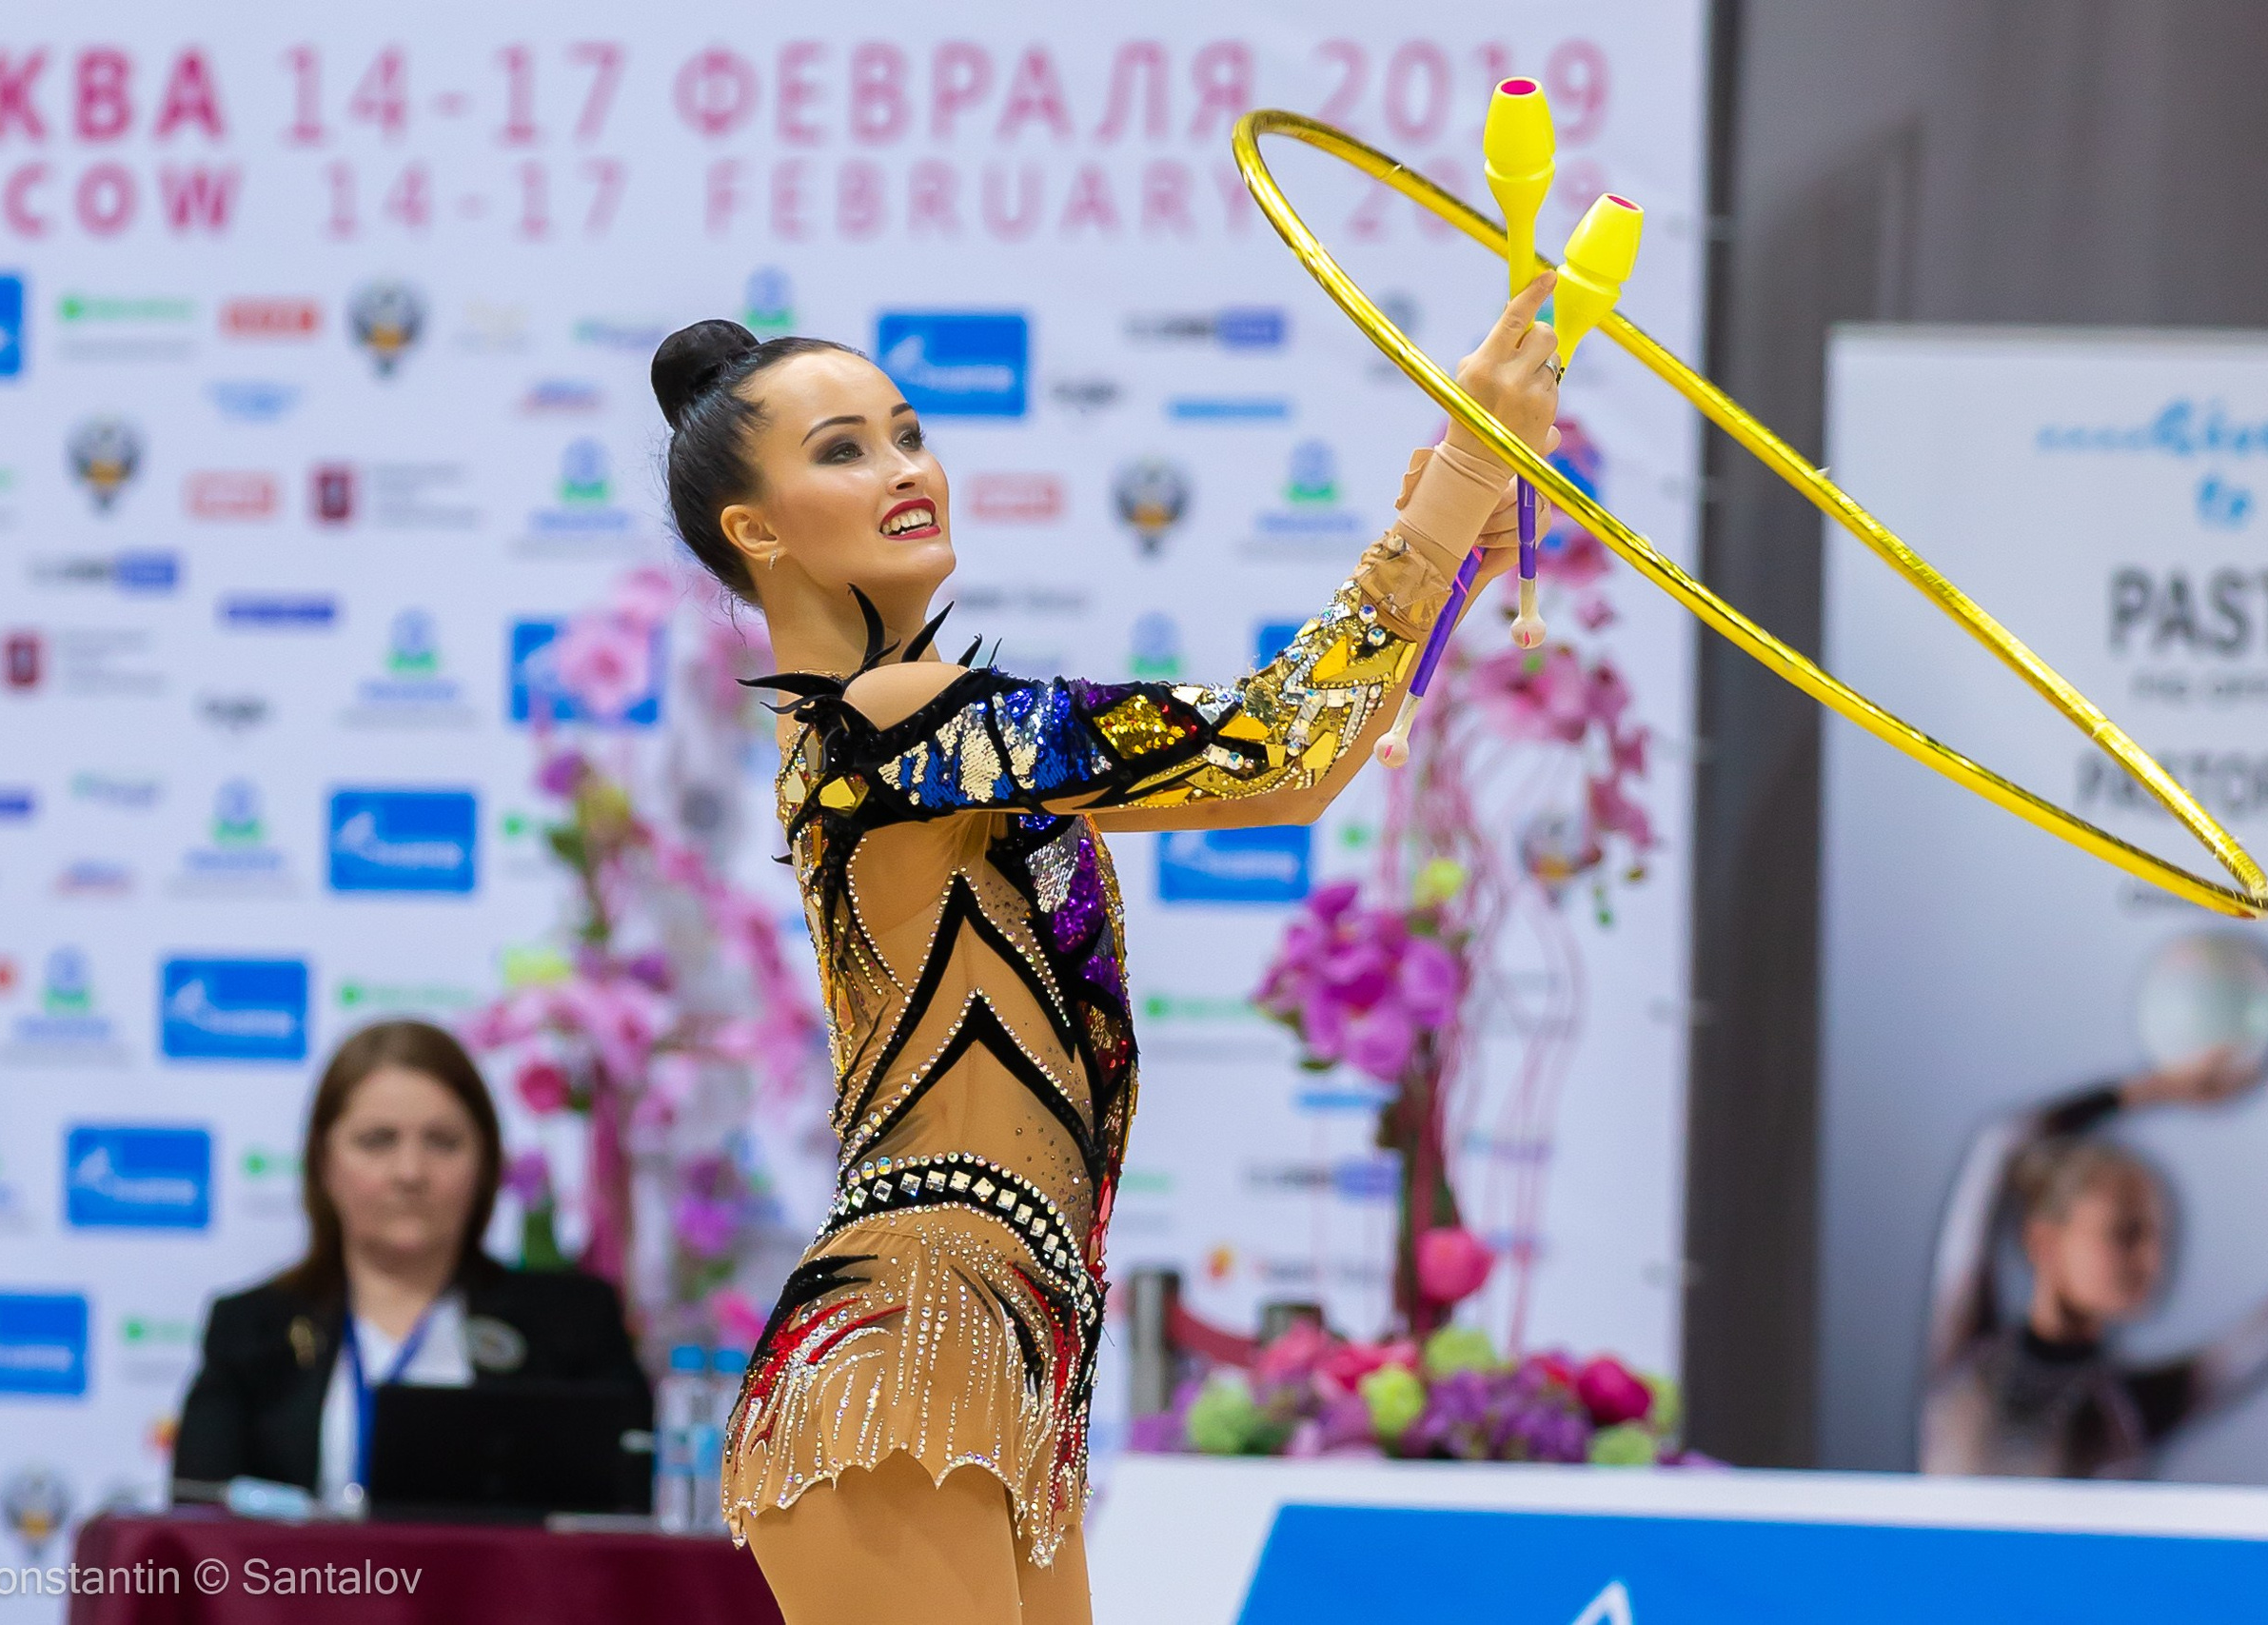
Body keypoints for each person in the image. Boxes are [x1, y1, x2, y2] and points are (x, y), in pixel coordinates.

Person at [653, 273, 1563, 1623]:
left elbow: (1304, 753)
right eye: (842, 451)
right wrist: (1458, 480)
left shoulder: (929, 739)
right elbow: (1275, 747)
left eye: (908, 433)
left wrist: (1456, 544)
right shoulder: (895, 720)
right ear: (755, 528)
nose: (904, 469)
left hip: (1010, 1330)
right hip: (907, 1334)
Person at [172, 1020, 648, 1509]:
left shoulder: (573, 1324)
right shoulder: (251, 1329)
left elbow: (630, 1516)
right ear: (323, 1162)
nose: (410, 1172)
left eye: (442, 1142)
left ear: (485, 1161)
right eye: (378, 1141)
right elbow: (199, 1523)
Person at [1922, 1043, 2268, 1477]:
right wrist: (2160, 1088)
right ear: (2044, 1242)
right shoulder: (1967, 1359)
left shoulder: (2126, 1410)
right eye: (2125, 1234)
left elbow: (2245, 1350)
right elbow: (2002, 1142)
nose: (2152, 1260)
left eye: (2158, 1238)